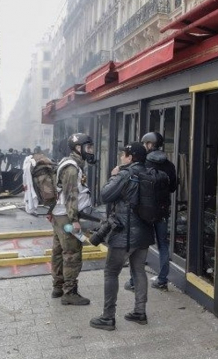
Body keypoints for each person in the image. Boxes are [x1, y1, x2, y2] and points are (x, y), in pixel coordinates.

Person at [90, 142, 155, 331]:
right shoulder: (150, 174)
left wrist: (114, 176)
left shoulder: (126, 174)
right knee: (139, 271)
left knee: (111, 273)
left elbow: (105, 195)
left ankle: (108, 317)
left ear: (131, 157)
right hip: (144, 233)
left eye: (124, 154)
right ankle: (140, 312)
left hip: (124, 234)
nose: (121, 157)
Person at [124, 132, 177, 292]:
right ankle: (162, 280)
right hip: (162, 212)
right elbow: (173, 188)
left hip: (144, 213)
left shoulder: (143, 163)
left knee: (140, 246)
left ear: (148, 144)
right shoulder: (169, 165)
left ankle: (134, 281)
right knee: (163, 245)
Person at [50, 133, 96, 305]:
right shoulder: (71, 168)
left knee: (58, 251)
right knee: (72, 252)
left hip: (60, 216)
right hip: (67, 219)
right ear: (79, 148)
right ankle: (69, 292)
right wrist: (74, 220)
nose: (90, 151)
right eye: (88, 147)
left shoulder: (69, 163)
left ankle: (58, 286)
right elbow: (71, 196)